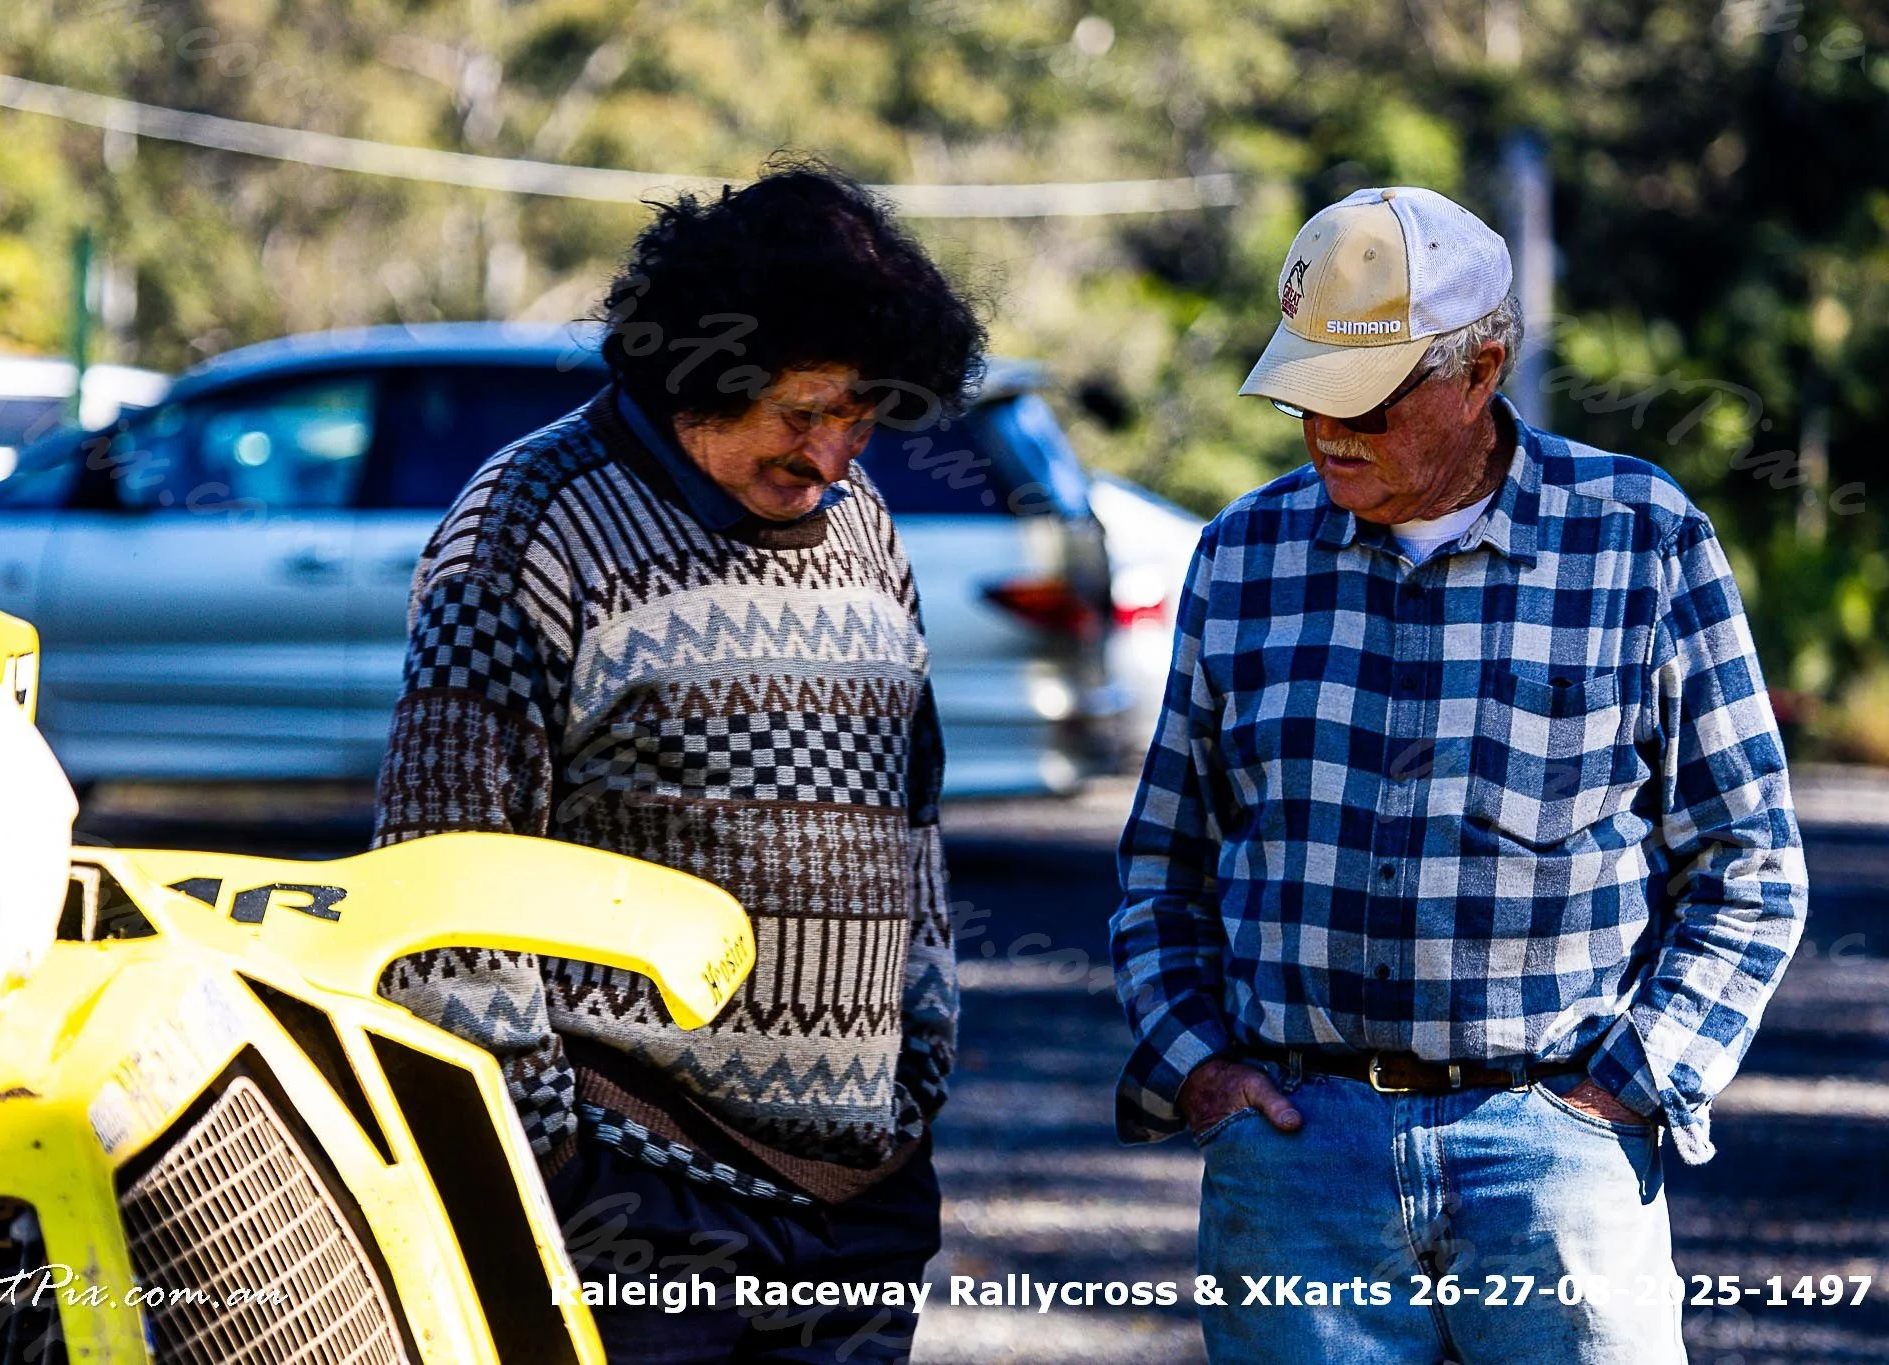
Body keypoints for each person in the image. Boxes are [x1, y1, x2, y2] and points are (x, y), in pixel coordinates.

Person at [1111, 185, 1807, 1363]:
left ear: (1481, 368)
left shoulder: (1640, 539)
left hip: (1555, 1155)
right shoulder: (1240, 553)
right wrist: (1201, 1074)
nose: (1327, 433)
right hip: (1294, 1164)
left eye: (1365, 404)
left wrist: (1625, 1094)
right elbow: (1163, 863)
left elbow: (1746, 864)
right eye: (1304, 396)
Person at [371, 162, 982, 1363]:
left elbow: (910, 817)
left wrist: (921, 1058)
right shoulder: (528, 525)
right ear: (699, 374)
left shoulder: (862, 526)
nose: (831, 455)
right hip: (639, 1203)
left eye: (859, 416)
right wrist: (549, 1152)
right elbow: (438, 886)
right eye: (799, 414)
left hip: (863, 1196)